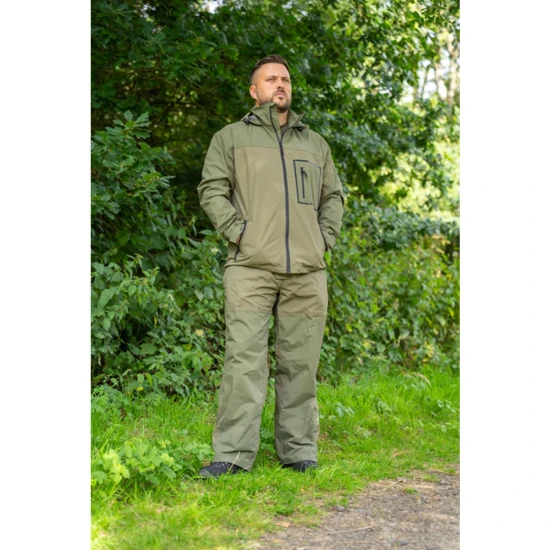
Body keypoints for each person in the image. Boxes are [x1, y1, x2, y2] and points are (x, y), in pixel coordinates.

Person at [197, 54, 344, 478]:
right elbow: (212, 191)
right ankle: (232, 455)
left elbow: (333, 197)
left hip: (307, 271)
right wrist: (240, 233)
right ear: (254, 91)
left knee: (300, 364)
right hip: (250, 268)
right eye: (271, 79)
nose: (280, 84)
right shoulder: (230, 138)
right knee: (244, 362)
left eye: (285, 79)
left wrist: (323, 239)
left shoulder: (314, 144)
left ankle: (298, 450)